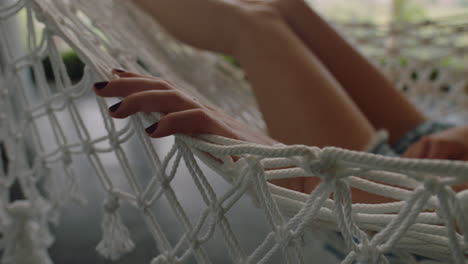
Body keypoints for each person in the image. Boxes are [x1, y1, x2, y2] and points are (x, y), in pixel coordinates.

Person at [93, 0, 468, 202]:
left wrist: (280, 158)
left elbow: (426, 222)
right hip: (438, 156)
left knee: (255, 28)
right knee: (286, 6)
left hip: (405, 202)